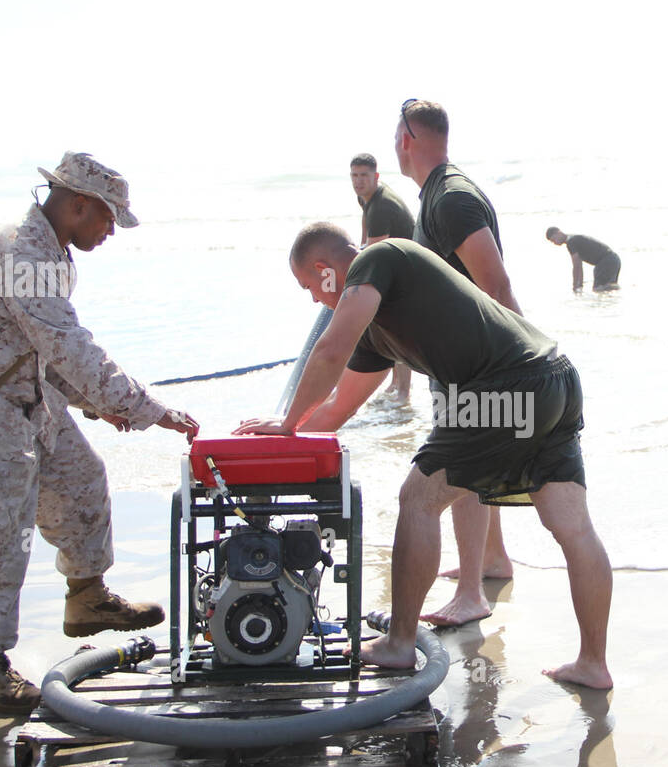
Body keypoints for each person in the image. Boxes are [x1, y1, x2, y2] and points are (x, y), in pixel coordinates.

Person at [235, 225, 613, 689]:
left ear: (325, 270)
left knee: (418, 499)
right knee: (573, 526)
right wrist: (274, 448)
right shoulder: (375, 334)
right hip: (554, 378)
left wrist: (286, 421)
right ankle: (593, 664)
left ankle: (398, 642)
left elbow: (329, 350)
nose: (315, 300)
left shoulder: (379, 258)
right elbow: (337, 407)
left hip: (507, 385)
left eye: (310, 287)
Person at [0, 151, 199, 714]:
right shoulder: (21, 254)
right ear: (78, 205)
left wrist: (94, 403)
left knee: (80, 482)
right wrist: (148, 408)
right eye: (107, 219)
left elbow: (45, 353)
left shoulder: (53, 254)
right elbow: (70, 344)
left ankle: (87, 598)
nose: (109, 233)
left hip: (30, 404)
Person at [394, 99, 518, 624]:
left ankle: (471, 594)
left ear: (406, 139)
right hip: (464, 362)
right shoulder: (439, 194)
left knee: (465, 470)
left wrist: (517, 363)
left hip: (476, 364)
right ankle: (491, 560)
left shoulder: (450, 199)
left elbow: (496, 283)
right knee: (475, 469)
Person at [350, 153, 415, 401]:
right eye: (354, 175)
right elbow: (367, 232)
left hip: (407, 268)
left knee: (397, 330)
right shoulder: (367, 197)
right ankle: (394, 383)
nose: (359, 181)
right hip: (394, 262)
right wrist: (360, 245)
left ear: (375, 177)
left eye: (364, 176)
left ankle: (403, 392)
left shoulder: (381, 206)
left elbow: (374, 254)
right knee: (387, 328)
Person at [545, 227, 621, 291]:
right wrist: (580, 285)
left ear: (559, 233)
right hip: (614, 259)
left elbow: (577, 266)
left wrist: (575, 286)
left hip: (605, 262)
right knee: (609, 288)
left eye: (554, 239)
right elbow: (579, 266)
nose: (555, 243)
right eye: (552, 242)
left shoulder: (571, 242)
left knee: (599, 289)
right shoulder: (574, 238)